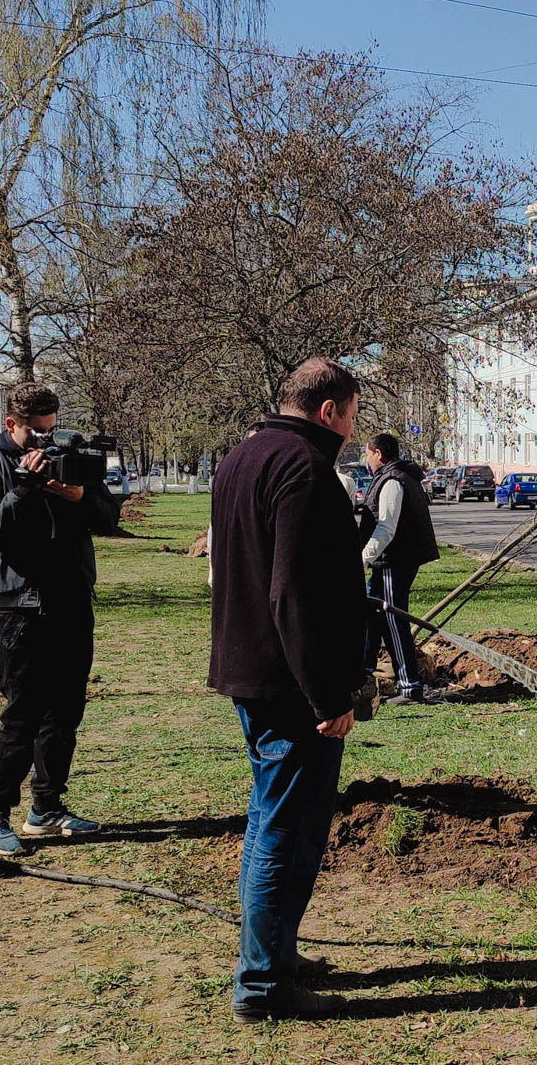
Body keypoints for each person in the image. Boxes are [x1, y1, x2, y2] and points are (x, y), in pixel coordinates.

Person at [208, 357, 366, 1022]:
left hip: (253, 672)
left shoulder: (242, 458)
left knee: (273, 823)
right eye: (353, 415)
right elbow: (292, 596)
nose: (355, 430)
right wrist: (329, 697)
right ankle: (264, 987)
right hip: (291, 688)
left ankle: (272, 955)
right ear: (328, 409)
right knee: (285, 834)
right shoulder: (305, 471)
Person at [0, 381, 120, 856]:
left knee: (65, 711)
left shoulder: (68, 459)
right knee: (22, 715)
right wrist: (26, 488)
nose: (45, 442)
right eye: (36, 434)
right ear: (12, 425)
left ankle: (46, 809)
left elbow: (109, 517)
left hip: (73, 600)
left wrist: (79, 497)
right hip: (23, 607)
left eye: (52, 431)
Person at [358, 433, 442, 705]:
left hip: (395, 561)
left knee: (394, 621)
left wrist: (363, 558)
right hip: (388, 562)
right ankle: (363, 679)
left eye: (367, 454)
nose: (366, 460)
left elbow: (386, 528)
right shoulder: (395, 476)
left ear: (378, 453)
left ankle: (410, 688)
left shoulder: (393, 481)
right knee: (372, 617)